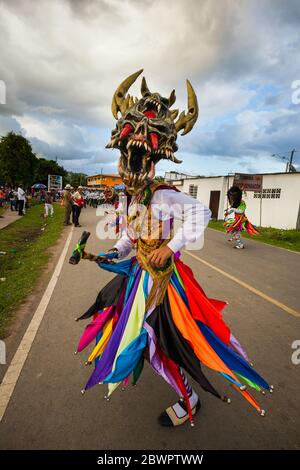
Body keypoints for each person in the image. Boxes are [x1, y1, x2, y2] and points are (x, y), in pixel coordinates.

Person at [74, 71, 271, 427]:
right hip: (138, 278)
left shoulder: (164, 194)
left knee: (166, 338)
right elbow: (128, 240)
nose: (133, 168)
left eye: (140, 161)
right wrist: (113, 254)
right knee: (137, 333)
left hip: (164, 281)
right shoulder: (127, 198)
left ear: (151, 163)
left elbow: (203, 212)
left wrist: (174, 246)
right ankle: (177, 382)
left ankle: (190, 399)